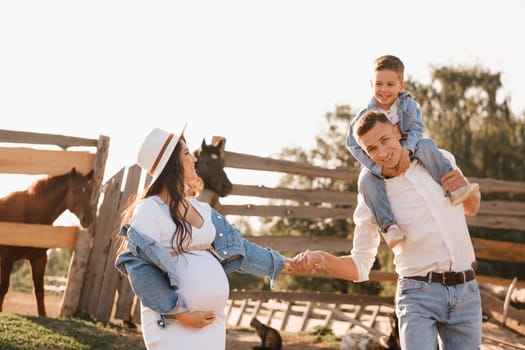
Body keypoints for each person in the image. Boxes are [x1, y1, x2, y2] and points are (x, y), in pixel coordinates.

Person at [294, 110, 482, 349]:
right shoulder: (372, 195)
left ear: (396, 131)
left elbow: (471, 208)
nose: (382, 153)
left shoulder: (439, 158)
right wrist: (322, 259)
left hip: (466, 291)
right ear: (365, 154)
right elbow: (359, 266)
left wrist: (468, 189)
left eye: (384, 140)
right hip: (418, 296)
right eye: (372, 149)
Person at [114, 126, 294, 350]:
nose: (193, 159)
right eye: (187, 153)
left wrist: (284, 264)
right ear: (172, 164)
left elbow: (241, 249)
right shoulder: (149, 210)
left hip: (211, 325)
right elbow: (139, 268)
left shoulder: (203, 210)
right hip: (174, 324)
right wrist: (180, 313)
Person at [345, 54, 479, 248]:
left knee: (427, 145)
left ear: (402, 85)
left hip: (409, 146)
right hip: (379, 162)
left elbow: (416, 128)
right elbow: (353, 145)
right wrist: (378, 169)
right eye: (378, 84)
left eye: (390, 85)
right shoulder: (363, 117)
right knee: (366, 180)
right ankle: (389, 226)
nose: (383, 90)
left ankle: (453, 187)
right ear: (371, 84)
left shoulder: (408, 105)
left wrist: (407, 150)